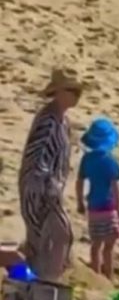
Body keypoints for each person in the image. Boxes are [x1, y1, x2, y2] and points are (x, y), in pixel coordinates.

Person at [17, 68, 83, 281]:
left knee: (49, 241)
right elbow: (37, 159)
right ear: (59, 92)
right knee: (46, 240)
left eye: (77, 91)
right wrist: (48, 189)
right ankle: (34, 284)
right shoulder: (48, 120)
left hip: (51, 190)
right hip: (39, 190)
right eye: (71, 90)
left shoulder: (62, 121)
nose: (76, 95)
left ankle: (34, 283)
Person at [75, 117, 119, 279]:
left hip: (93, 208)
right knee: (109, 247)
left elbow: (80, 182)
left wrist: (80, 202)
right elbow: (115, 186)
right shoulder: (110, 161)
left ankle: (96, 274)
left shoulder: (87, 159)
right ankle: (109, 275)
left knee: (95, 245)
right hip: (108, 207)